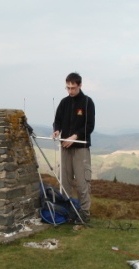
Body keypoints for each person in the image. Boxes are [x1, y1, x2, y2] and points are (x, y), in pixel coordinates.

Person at [52, 72, 95, 223]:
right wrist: (57, 130)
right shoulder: (64, 102)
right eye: (68, 88)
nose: (70, 91)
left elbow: (89, 126)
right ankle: (68, 211)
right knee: (65, 181)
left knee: (82, 182)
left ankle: (84, 213)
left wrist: (75, 136)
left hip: (80, 148)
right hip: (64, 147)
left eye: (73, 88)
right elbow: (57, 120)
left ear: (80, 85)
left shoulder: (87, 102)